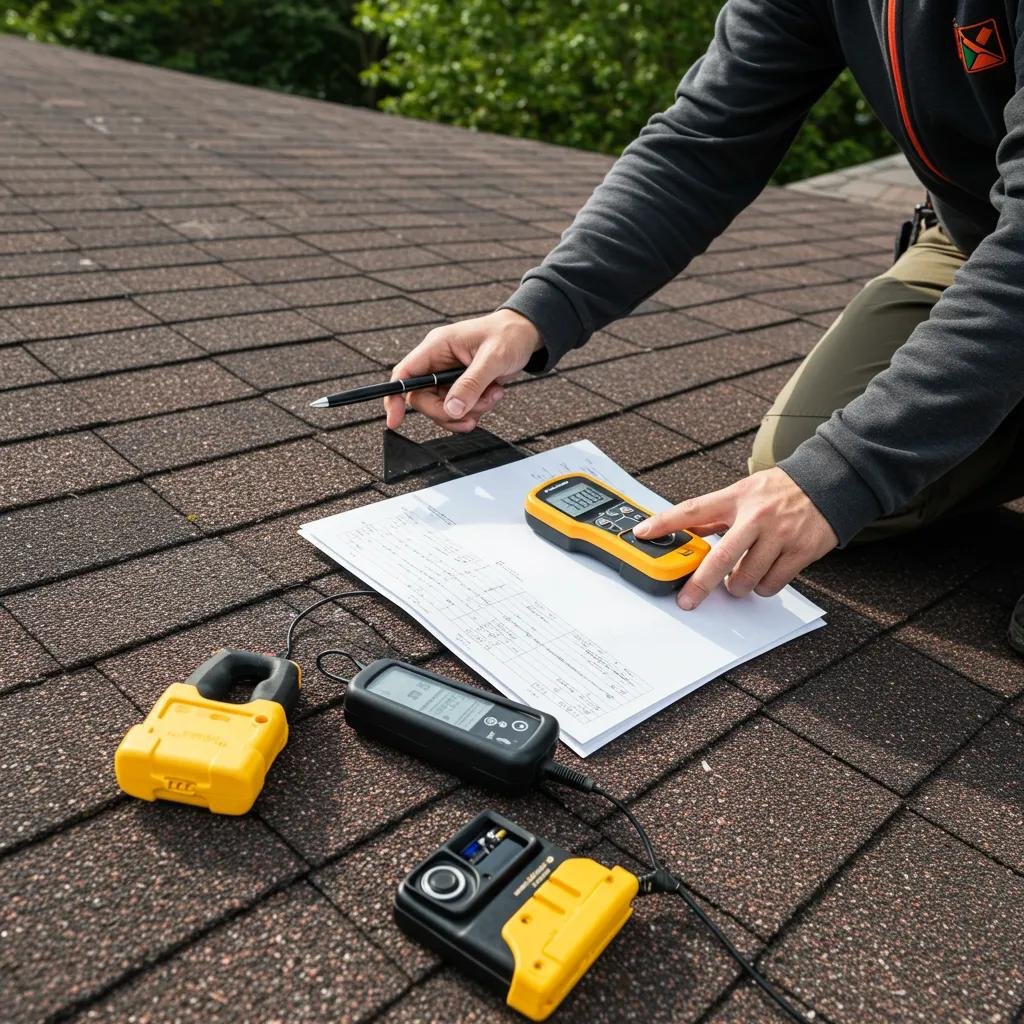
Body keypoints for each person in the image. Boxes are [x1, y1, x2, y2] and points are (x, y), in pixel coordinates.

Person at [383, 0, 1024, 616]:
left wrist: (852, 468)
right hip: (976, 233)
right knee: (799, 467)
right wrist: (536, 312)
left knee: (839, 477)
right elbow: (701, 143)